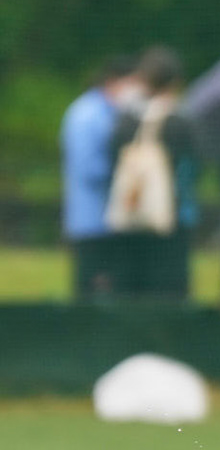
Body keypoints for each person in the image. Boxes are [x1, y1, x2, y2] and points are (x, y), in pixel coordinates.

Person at [107, 46, 198, 300]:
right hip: (169, 220)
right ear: (175, 82)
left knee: (129, 294)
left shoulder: (125, 119)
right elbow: (192, 169)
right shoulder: (180, 121)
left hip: (129, 215)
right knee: (167, 296)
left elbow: (112, 160)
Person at [62, 55, 143, 301]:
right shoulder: (87, 114)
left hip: (108, 220)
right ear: (113, 81)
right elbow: (87, 168)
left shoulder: (110, 112)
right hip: (92, 221)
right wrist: (127, 173)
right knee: (91, 293)